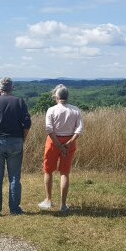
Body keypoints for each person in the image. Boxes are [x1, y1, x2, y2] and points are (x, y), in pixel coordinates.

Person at [0, 77, 31, 217]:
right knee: (15, 177)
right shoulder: (19, 102)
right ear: (12, 88)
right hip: (16, 141)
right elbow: (27, 123)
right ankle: (15, 209)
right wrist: (23, 138)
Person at [38, 84, 84, 214]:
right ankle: (63, 205)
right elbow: (79, 130)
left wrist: (58, 144)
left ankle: (48, 200)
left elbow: (49, 129)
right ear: (67, 96)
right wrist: (69, 143)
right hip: (70, 141)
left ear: (56, 97)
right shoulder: (76, 110)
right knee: (64, 173)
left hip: (53, 141)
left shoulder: (51, 110)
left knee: (48, 171)